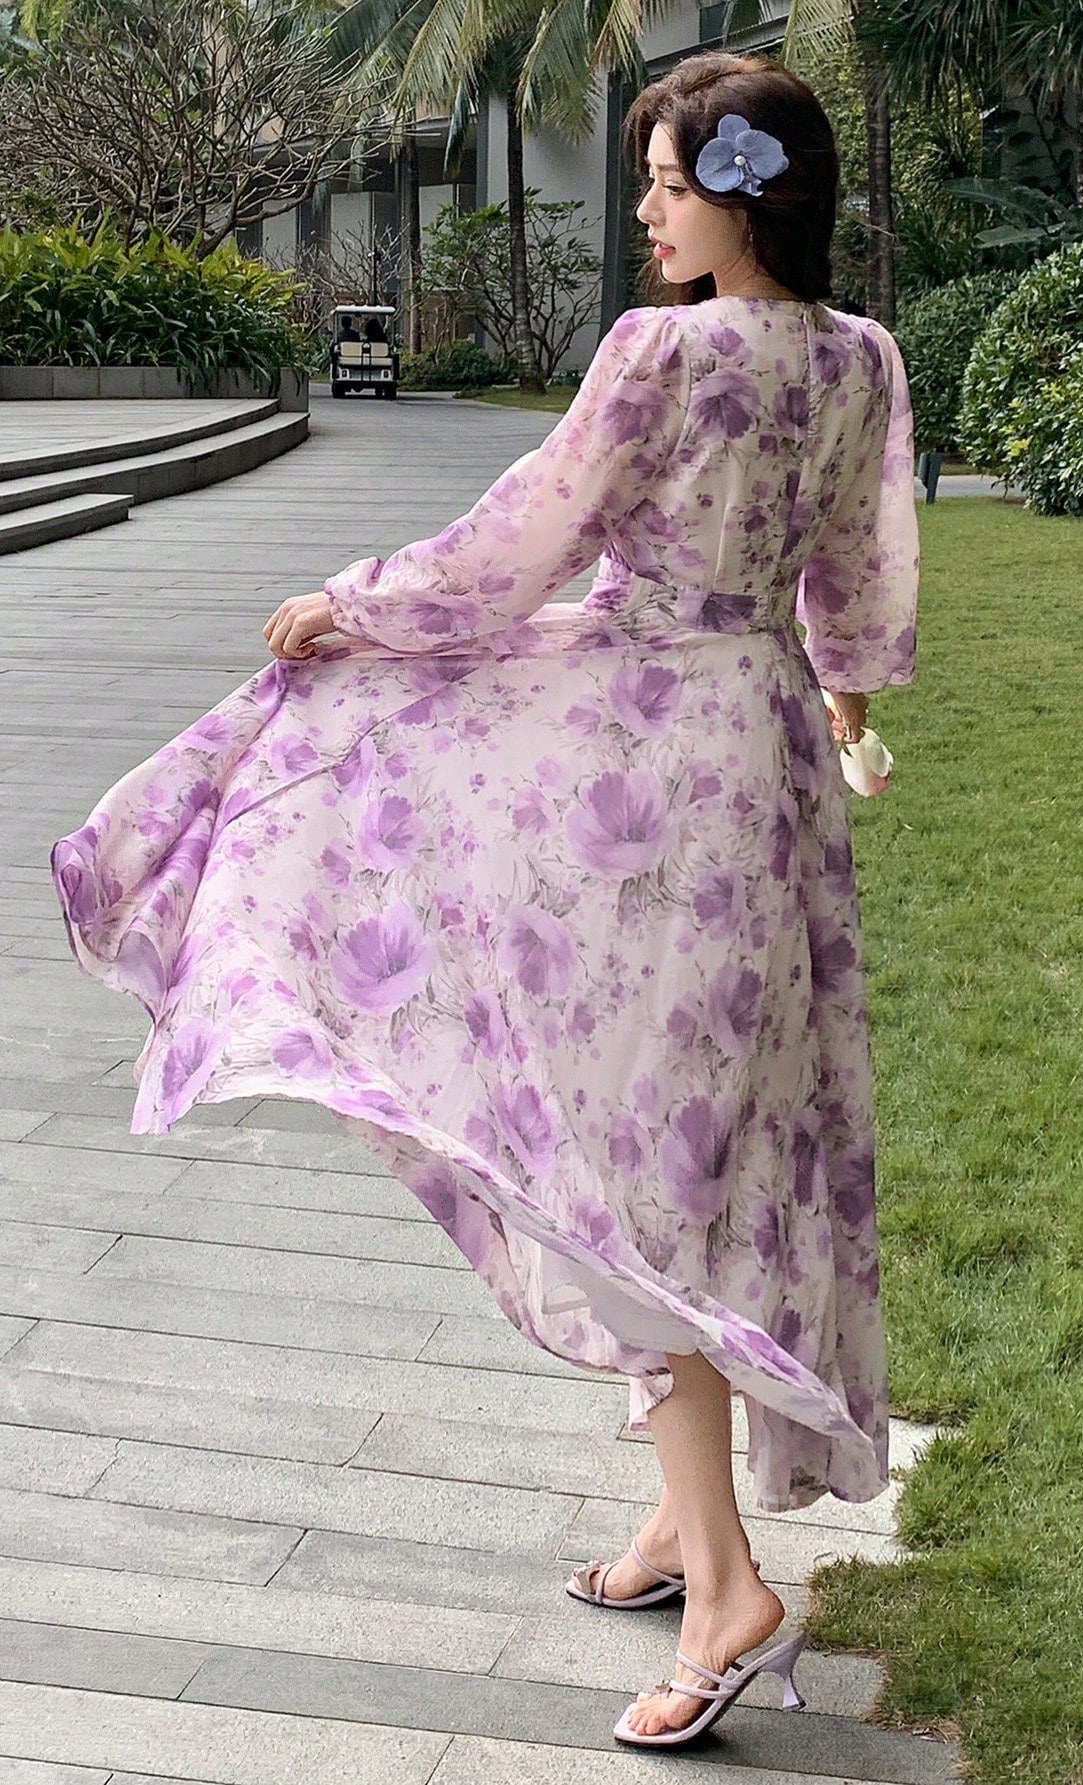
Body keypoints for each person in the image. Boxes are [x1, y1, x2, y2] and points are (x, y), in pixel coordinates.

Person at [50, 47, 918, 1753]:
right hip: (764, 767)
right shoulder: (860, 359)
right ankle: (679, 1519)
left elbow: (522, 543)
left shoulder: (659, 351)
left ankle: (730, 1588)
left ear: (738, 197)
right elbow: (862, 590)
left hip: (640, 778)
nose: (648, 211)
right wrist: (841, 697)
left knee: (624, 1164)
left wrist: (356, 602)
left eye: (667, 183)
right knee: (703, 1140)